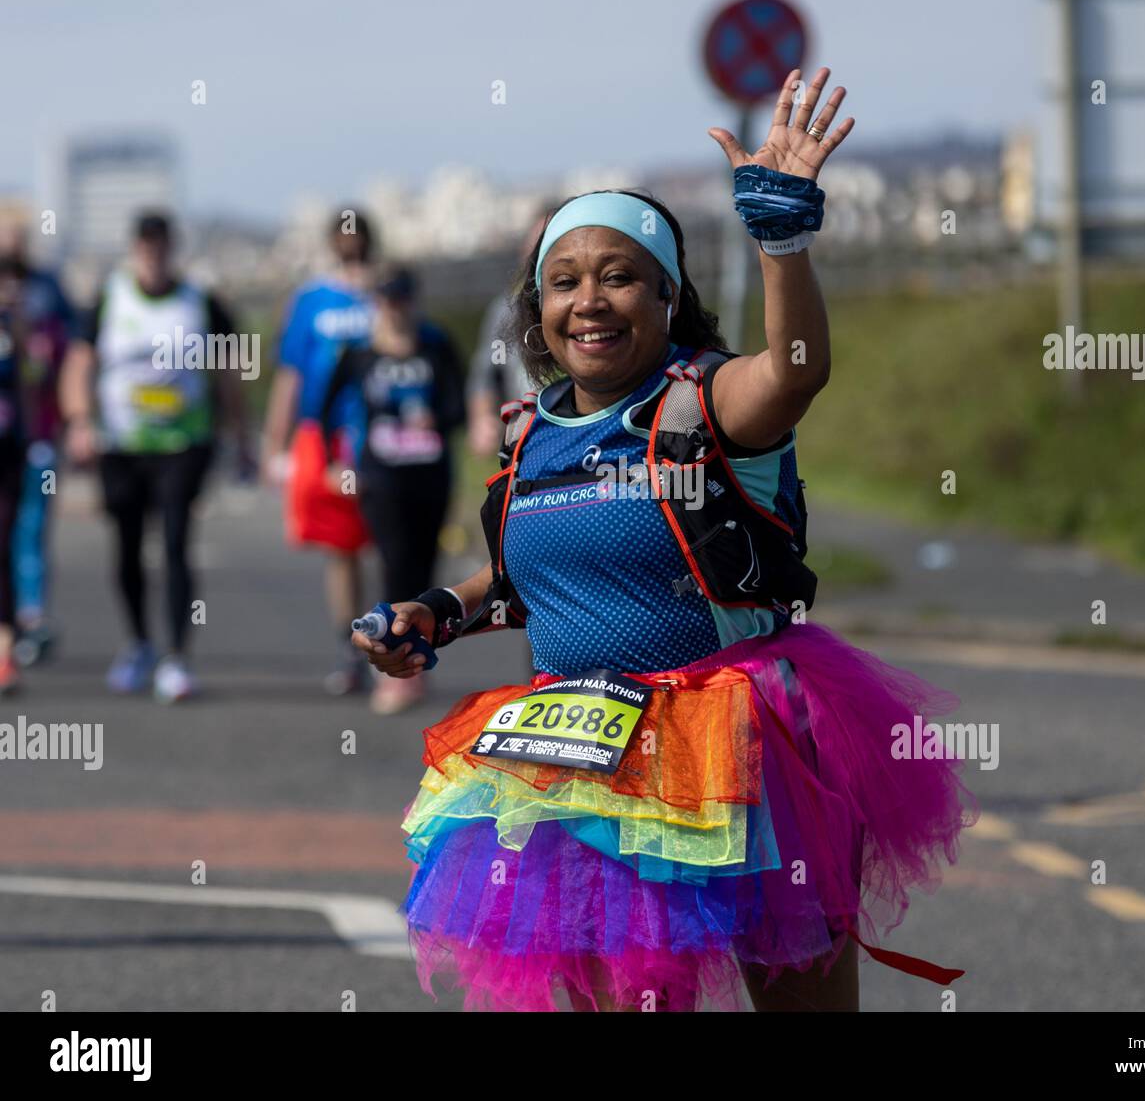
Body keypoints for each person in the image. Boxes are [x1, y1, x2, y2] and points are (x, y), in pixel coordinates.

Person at [355, 68, 979, 1012]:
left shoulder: (706, 401)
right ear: (538, 311)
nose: (590, 301)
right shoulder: (530, 434)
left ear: (667, 297)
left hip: (745, 752)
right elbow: (531, 578)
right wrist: (435, 613)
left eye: (618, 277)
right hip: (582, 759)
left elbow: (798, 372)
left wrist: (783, 243)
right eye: (563, 282)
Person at [60, 211, 249, 703]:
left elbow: (229, 370)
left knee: (175, 540)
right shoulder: (109, 298)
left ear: (171, 249)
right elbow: (80, 363)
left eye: (161, 245)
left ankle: (176, 658)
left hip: (183, 444)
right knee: (125, 545)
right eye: (145, 245)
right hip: (121, 445)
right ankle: (139, 643)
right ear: (134, 249)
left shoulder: (200, 302)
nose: (153, 254)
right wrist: (80, 422)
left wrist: (242, 436)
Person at [317, 266, 465, 714]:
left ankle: (412, 663)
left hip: (430, 473)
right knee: (395, 564)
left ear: (413, 300)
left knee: (423, 571)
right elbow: (324, 411)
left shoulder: (436, 344)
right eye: (386, 300)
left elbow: (458, 405)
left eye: (401, 299)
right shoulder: (359, 353)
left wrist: (434, 420)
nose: (394, 308)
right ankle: (396, 672)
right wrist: (333, 461)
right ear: (376, 303)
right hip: (380, 476)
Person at [262, 210, 376, 696]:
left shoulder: (386, 291)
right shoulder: (310, 300)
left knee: (389, 544)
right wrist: (275, 440)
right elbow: (290, 375)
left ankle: (395, 644)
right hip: (325, 437)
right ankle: (350, 648)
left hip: (381, 434)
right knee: (341, 547)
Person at [0, 220, 75, 666]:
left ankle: (30, 617)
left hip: (38, 437)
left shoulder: (47, 294)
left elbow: (70, 358)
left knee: (30, 530)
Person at [465, 214, 545, 457]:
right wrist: (482, 418)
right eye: (535, 249)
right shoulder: (506, 312)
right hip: (525, 440)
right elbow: (486, 374)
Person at [0, 258, 33, 692]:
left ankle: (4, 647)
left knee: (2, 543)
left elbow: (32, 384)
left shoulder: (18, 332)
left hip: (8, 452)